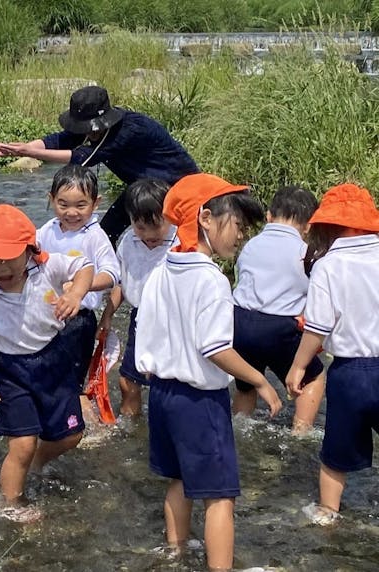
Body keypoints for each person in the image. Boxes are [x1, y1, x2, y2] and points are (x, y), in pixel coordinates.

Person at [135, 173, 282, 570]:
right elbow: (215, 347)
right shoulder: (211, 279)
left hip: (163, 397)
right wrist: (259, 380)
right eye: (236, 225)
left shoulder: (161, 271)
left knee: (178, 481)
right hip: (199, 401)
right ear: (204, 218)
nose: (240, 236)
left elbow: (143, 336)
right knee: (221, 496)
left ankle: (176, 552)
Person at [0, 204, 94, 521]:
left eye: (9, 258)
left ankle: (35, 462)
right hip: (8, 370)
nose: (1, 268)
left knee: (71, 435)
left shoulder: (47, 267)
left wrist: (76, 293)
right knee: (22, 443)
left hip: (54, 360)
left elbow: (85, 266)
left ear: (30, 250)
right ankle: (9, 505)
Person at [0, 85, 199, 244]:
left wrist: (27, 151)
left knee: (158, 234)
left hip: (176, 186)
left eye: (92, 128)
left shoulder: (129, 131)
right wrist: (12, 148)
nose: (88, 132)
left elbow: (81, 157)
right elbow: (59, 140)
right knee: (108, 231)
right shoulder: (93, 130)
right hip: (141, 185)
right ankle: (105, 281)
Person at [286, 183, 379, 526]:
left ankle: (327, 514)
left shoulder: (329, 265)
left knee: (334, 456)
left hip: (350, 374)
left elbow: (319, 327)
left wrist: (298, 367)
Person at [231, 186, 324, 434]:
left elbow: (241, 281)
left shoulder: (249, 246)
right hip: (280, 328)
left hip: (239, 323)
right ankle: (301, 431)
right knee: (313, 377)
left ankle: (240, 426)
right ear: (308, 226)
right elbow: (317, 293)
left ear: (269, 215)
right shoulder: (305, 253)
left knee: (247, 384)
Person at [36, 165, 120, 425]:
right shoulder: (47, 230)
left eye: (81, 205)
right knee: (45, 373)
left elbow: (112, 274)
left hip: (79, 320)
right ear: (51, 200)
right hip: (46, 318)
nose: (71, 212)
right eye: (63, 204)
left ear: (96, 203)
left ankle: (87, 430)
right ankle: (53, 422)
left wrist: (82, 287)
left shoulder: (94, 236)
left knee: (73, 380)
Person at [97, 178, 177, 417]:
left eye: (156, 226)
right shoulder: (129, 241)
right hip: (140, 320)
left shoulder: (181, 242)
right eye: (140, 227)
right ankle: (131, 426)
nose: (149, 234)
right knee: (128, 380)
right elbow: (122, 282)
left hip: (172, 322)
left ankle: (166, 424)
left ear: (170, 215)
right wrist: (107, 316)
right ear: (130, 220)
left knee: (168, 383)